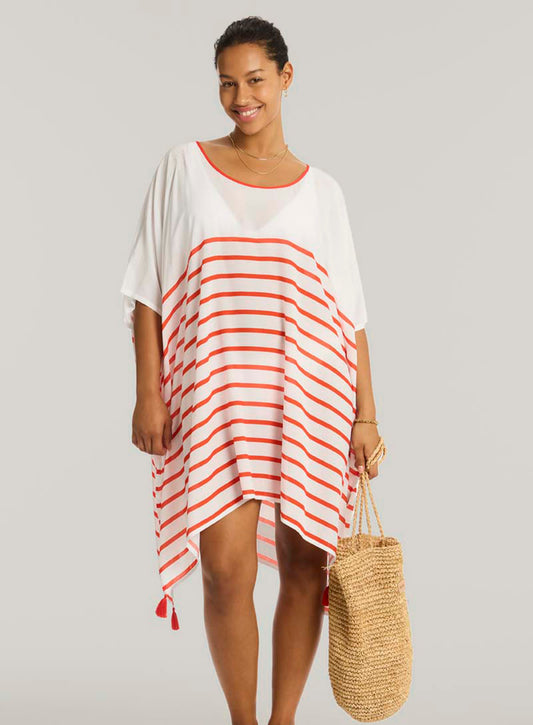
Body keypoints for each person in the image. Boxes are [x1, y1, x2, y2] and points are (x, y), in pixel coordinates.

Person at [120, 15, 382, 725]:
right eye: (227, 84)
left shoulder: (323, 192)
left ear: (286, 78)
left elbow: (351, 313)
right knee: (224, 571)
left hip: (308, 399)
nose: (242, 97)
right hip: (213, 398)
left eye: (256, 80)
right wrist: (147, 393)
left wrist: (366, 416)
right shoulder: (183, 166)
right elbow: (147, 290)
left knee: (304, 568)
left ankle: (282, 720)